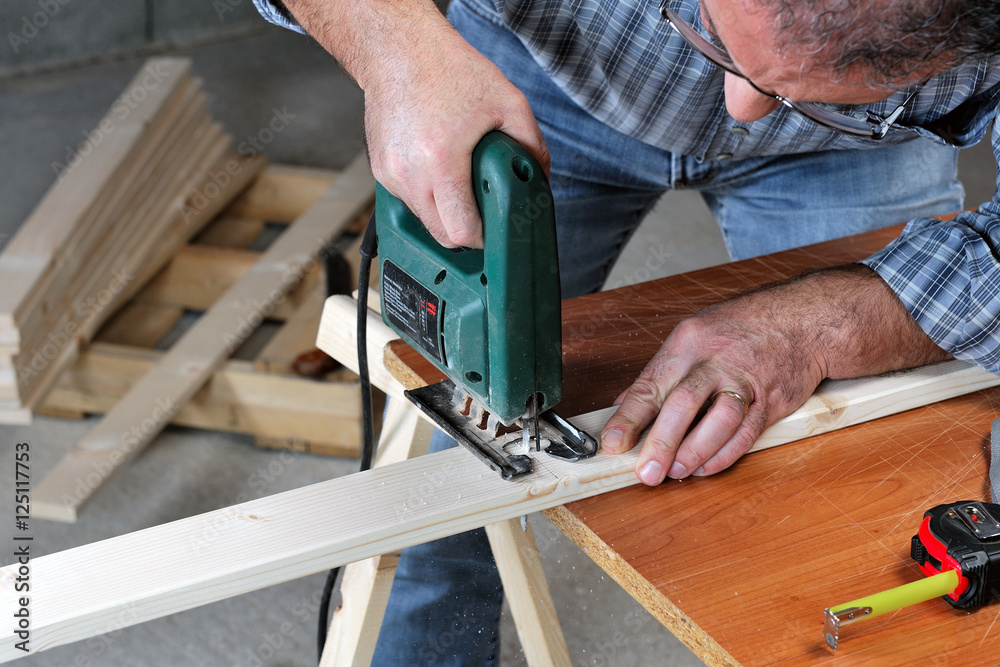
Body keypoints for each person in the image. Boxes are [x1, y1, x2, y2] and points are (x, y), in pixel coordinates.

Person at [255, 0, 1000, 663]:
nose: (740, 103)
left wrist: (824, 326)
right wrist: (398, 49)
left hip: (856, 151)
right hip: (541, 82)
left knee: (879, 522)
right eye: (711, 28)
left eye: (780, 76)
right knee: (441, 509)